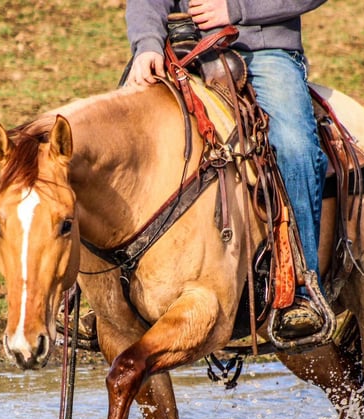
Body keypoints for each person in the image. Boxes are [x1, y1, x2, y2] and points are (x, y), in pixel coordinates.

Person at [125, 0, 329, 339]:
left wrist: (237, 9)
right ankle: (98, 299)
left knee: (295, 146)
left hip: (264, 53)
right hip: (180, 48)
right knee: (118, 135)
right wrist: (146, 42)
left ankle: (302, 293)